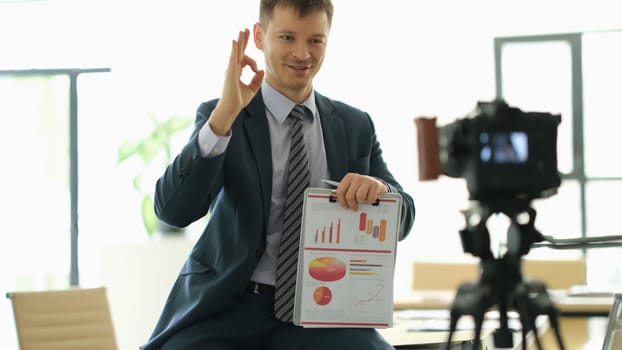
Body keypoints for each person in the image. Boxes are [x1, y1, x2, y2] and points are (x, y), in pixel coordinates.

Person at [140, 0, 415, 349]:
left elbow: (405, 215)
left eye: (315, 41)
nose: (302, 54)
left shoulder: (355, 124)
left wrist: (381, 192)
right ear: (260, 36)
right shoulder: (223, 114)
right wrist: (224, 117)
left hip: (320, 312)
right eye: (287, 37)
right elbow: (173, 211)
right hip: (228, 306)